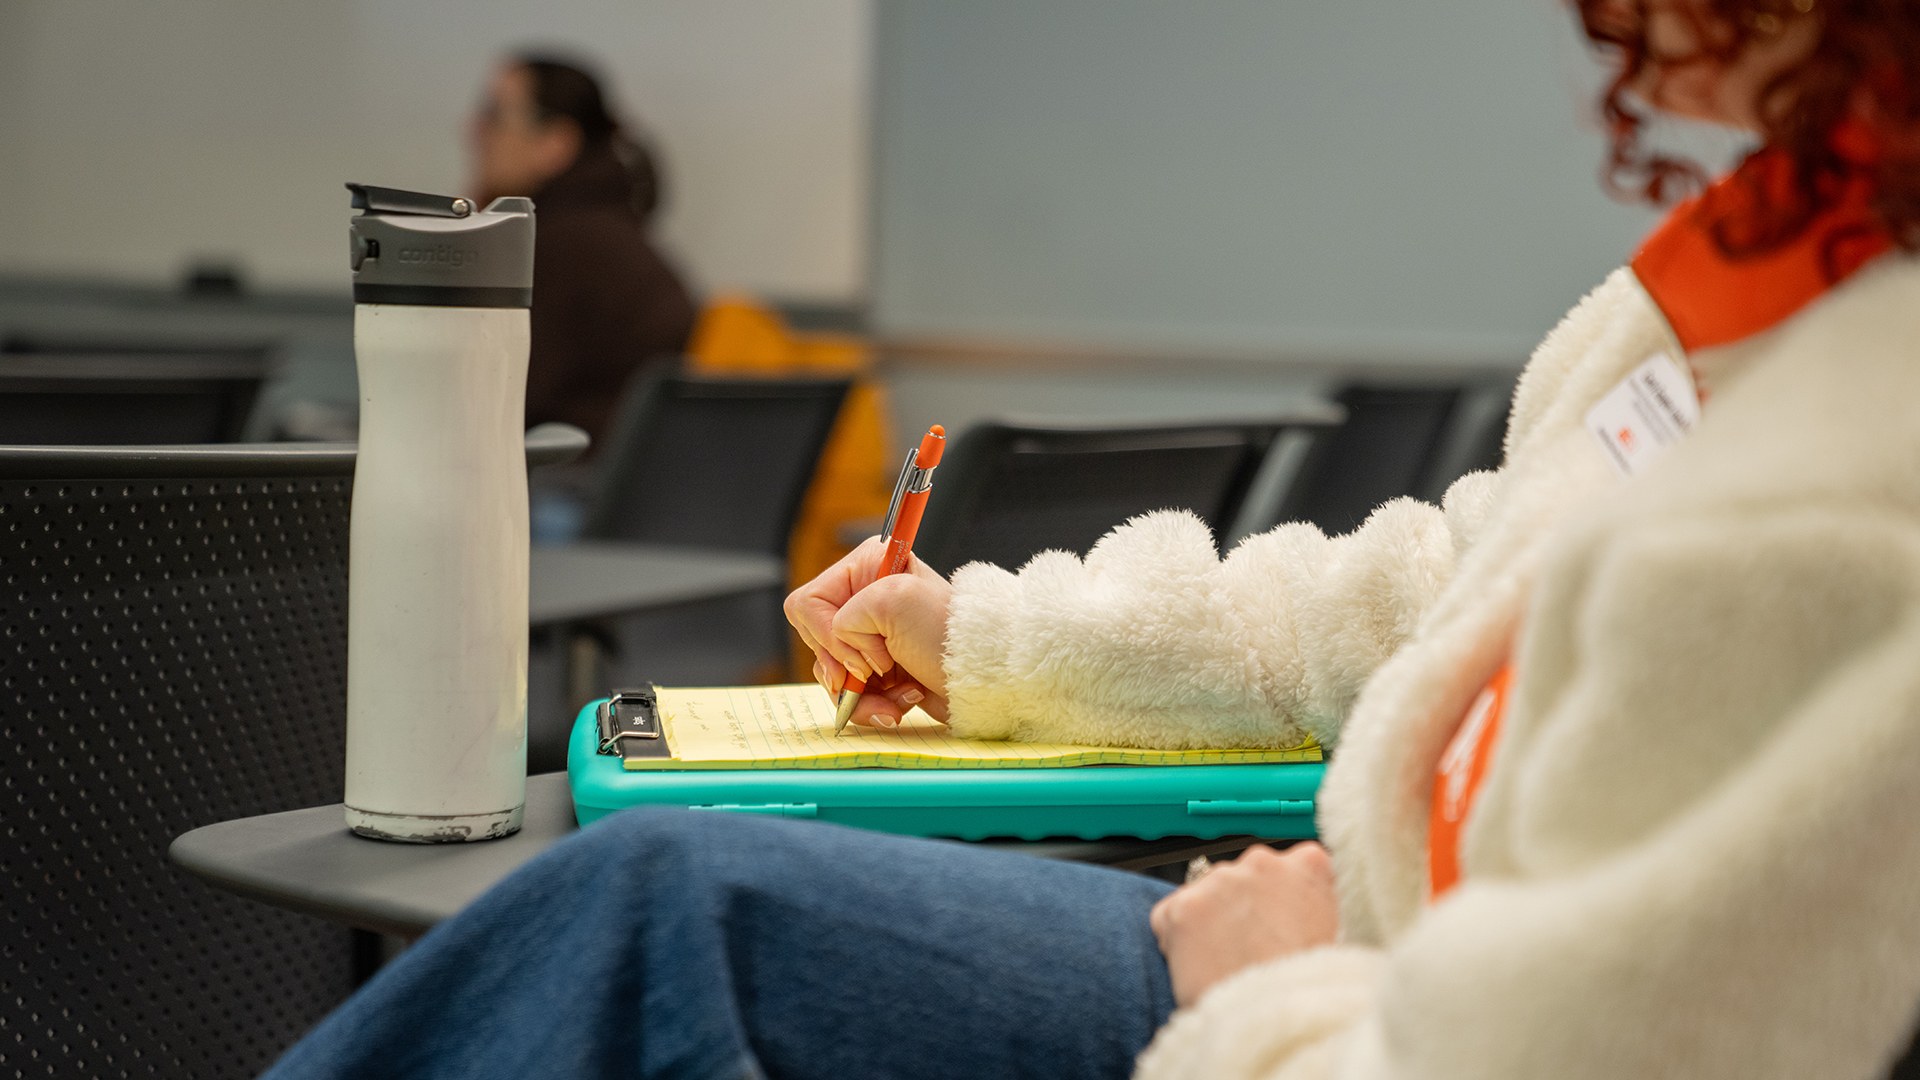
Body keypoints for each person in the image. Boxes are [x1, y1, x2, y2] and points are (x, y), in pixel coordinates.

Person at [265, 2, 1920, 1077]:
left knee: (653, 903)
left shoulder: (1850, 478)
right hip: (1357, 949)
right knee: (659, 899)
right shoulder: (1786, 273)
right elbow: (1437, 587)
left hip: (1347, 1009)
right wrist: (981, 636)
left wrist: (1269, 997)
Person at [470, 53, 697, 446]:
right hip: (622, 481)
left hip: (572, 486)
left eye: (495, 115)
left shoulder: (557, 246)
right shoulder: (607, 231)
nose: (474, 131)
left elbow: (494, 406)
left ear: (555, 143)